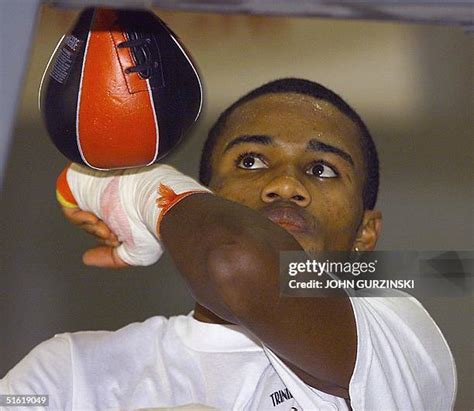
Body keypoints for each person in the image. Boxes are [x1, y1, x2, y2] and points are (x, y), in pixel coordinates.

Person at [1, 78, 456, 410]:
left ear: (365, 235)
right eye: (251, 160)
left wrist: (145, 189)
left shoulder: (400, 333)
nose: (284, 185)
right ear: (206, 200)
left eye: (321, 169)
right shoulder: (73, 373)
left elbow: (235, 263)